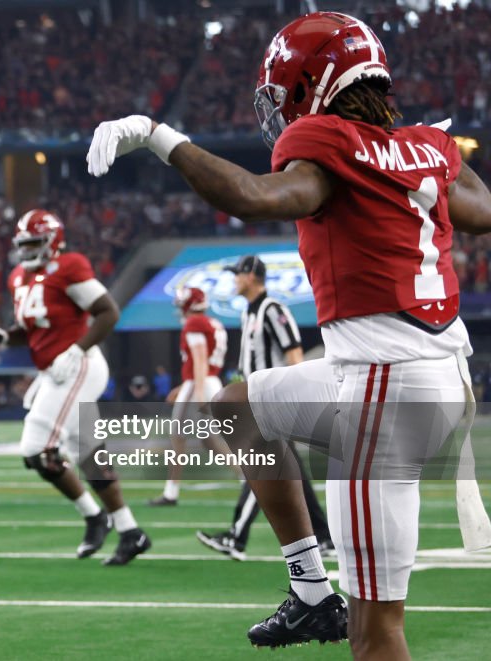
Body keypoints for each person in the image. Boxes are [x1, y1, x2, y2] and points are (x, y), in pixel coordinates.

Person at [87, 11, 491, 656]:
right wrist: (432, 156)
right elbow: (482, 212)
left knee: (377, 631)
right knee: (234, 407)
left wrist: (161, 137)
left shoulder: (328, 142)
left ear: (316, 82)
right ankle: (308, 590)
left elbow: (254, 195)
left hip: (384, 392)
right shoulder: (429, 149)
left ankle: (326, 597)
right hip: (430, 378)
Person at [0, 208, 150, 565]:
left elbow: (108, 311)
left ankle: (93, 516)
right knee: (87, 454)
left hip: (79, 367)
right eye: (23, 244)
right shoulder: (19, 277)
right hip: (54, 372)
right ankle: (130, 531)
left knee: (37, 449)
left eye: (35, 243)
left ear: (53, 242)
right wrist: (5, 336)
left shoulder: (69, 266)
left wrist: (79, 348)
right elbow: (32, 330)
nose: (28, 251)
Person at [196, 255, 333, 561]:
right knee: (289, 469)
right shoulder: (249, 313)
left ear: (251, 276)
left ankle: (236, 537)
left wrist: (297, 393)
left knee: (261, 464)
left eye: (238, 274)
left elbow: (293, 351)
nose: (234, 279)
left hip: (270, 398)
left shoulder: (272, 309)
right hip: (253, 397)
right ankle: (324, 537)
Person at [149, 286, 228, 506]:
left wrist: (197, 391)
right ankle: (246, 479)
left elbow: (201, 359)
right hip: (209, 381)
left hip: (200, 383)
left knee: (177, 436)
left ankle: (170, 492)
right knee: (209, 441)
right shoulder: (213, 323)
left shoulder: (195, 323)